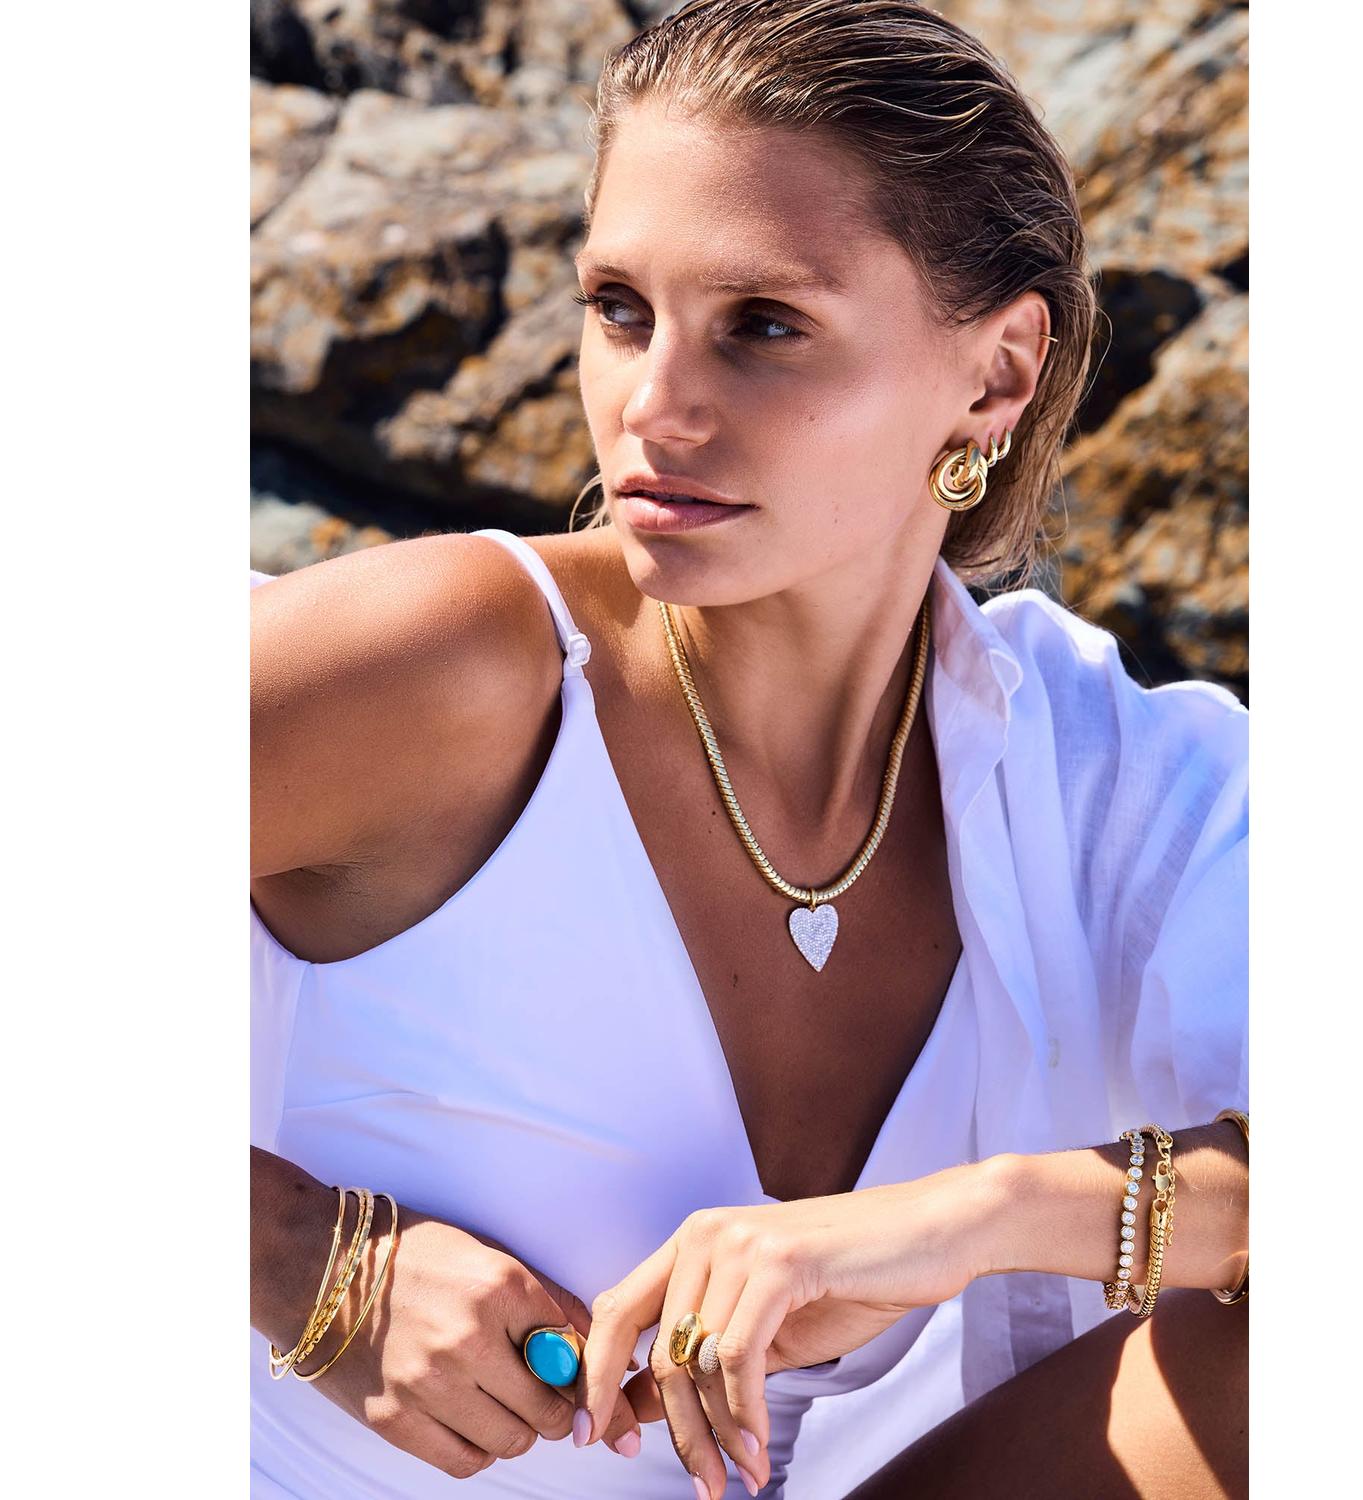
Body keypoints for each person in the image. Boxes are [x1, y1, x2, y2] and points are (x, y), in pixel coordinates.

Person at [249, 3, 1248, 1497]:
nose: (651, 407)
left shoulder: (1102, 775)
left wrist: (967, 1222)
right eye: (619, 309)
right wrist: (296, 1257)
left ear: (996, 374)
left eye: (763, 325)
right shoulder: (456, 668)